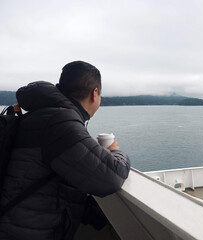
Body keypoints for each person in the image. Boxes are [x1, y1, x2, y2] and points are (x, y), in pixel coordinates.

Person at [0, 61, 131, 240]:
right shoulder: (59, 122)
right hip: (26, 231)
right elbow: (110, 176)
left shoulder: (43, 114)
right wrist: (115, 151)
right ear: (95, 94)